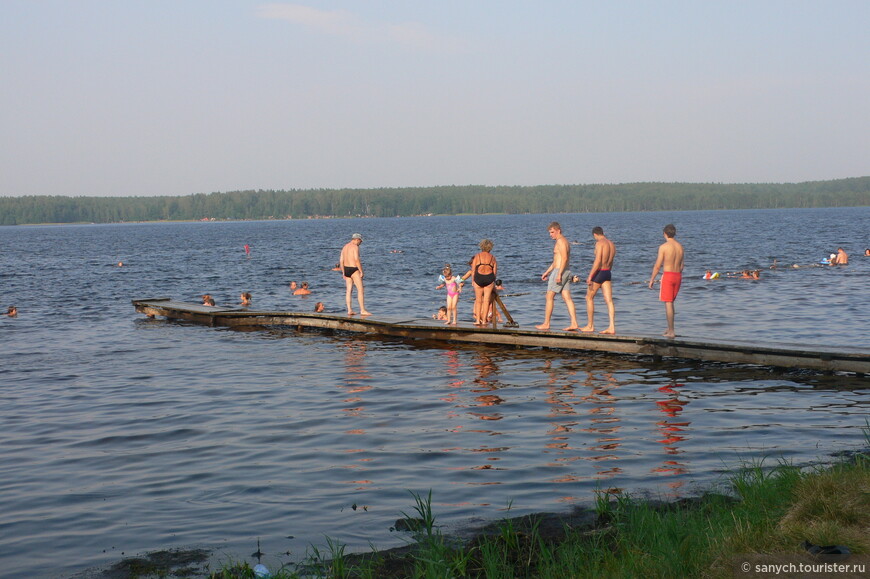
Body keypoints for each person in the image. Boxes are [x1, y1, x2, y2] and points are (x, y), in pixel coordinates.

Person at [535, 222, 580, 331]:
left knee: (549, 296)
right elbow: (556, 261)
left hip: (560, 271)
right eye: (549, 232)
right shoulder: (563, 242)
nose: (550, 235)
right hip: (563, 270)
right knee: (566, 297)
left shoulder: (561, 242)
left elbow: (564, 259)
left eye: (552, 232)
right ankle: (574, 323)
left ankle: (546, 323)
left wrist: (559, 274)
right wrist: (547, 272)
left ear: (558, 230)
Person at [649, 224, 684, 338]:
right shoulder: (680, 247)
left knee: (668, 303)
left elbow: (657, 266)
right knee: (671, 302)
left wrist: (652, 280)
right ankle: (669, 328)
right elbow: (682, 265)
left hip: (668, 275)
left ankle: (671, 331)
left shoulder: (664, 247)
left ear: (665, 233)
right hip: (678, 275)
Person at [580, 226, 615, 334]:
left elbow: (598, 261)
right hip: (607, 272)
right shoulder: (611, 244)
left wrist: (590, 276)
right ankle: (612, 326)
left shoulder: (600, 243)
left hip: (599, 272)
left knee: (589, 297)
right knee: (609, 300)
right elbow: (612, 261)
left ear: (595, 234)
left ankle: (590, 325)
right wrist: (607, 272)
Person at [462, 239, 498, 326]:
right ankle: (485, 321)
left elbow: (473, 270)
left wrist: (473, 281)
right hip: (489, 278)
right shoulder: (492, 258)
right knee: (486, 301)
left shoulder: (477, 256)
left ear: (481, 246)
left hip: (479, 278)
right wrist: (492, 282)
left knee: (478, 301)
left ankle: (478, 320)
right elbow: (495, 272)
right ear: (490, 247)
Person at [340, 233, 371, 316]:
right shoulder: (355, 247)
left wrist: (343, 272)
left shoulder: (345, 247)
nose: (360, 243)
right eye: (360, 241)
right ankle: (362, 310)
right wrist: (361, 271)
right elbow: (356, 260)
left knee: (349, 290)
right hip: (354, 269)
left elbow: (341, 261)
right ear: (357, 239)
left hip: (346, 269)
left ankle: (349, 310)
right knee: (360, 290)